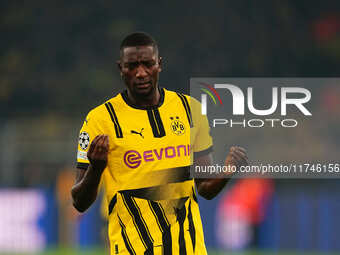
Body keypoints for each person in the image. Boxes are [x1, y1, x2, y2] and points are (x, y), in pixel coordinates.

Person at [71, 32, 248, 255]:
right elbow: (79, 202)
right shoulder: (100, 120)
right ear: (121, 68)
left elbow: (205, 188)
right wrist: (96, 169)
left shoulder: (189, 109)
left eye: (148, 64)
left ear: (159, 64)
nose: (141, 73)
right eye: (132, 66)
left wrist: (229, 170)